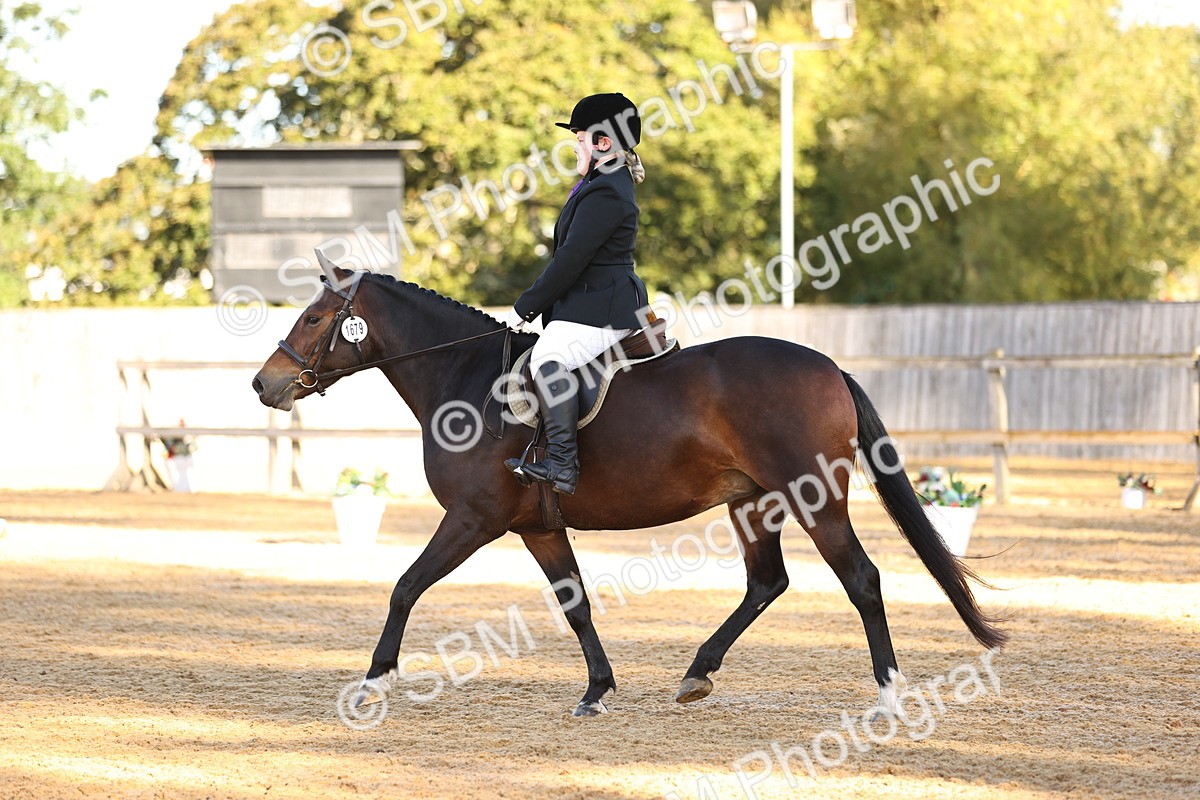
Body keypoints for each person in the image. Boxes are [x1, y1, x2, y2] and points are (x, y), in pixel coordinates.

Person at [501, 92, 649, 496]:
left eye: (580, 138)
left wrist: (525, 308)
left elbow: (571, 260)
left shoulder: (606, 191)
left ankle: (562, 464)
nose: (575, 145)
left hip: (603, 306)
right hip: (590, 303)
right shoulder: (600, 183)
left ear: (603, 143)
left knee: (549, 357)